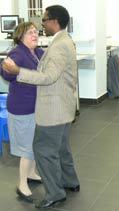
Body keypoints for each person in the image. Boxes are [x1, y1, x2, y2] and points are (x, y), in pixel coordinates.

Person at [2, 5, 80, 209]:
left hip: (54, 108)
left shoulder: (56, 45)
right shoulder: (63, 41)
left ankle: (55, 193)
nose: (41, 25)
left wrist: (18, 71)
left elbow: (48, 77)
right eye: (31, 31)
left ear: (54, 21)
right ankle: (70, 181)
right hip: (58, 106)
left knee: (44, 151)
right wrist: (11, 70)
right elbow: (7, 73)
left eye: (43, 21)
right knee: (61, 149)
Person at [0, 22, 43, 203]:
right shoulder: (18, 53)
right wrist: (6, 67)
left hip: (36, 107)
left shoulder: (38, 52)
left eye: (35, 31)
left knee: (33, 144)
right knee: (26, 148)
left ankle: (32, 173)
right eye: (30, 32)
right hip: (21, 108)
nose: (34, 34)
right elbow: (7, 74)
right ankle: (22, 184)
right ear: (20, 36)